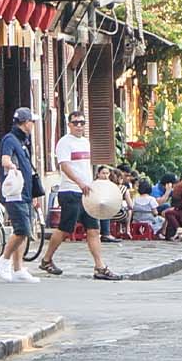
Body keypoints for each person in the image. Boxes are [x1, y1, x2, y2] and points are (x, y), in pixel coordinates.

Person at [38, 111, 119, 280]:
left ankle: (100, 266)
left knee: (94, 229)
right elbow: (65, 166)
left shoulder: (85, 143)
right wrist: (80, 182)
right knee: (65, 229)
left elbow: (86, 167)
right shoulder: (64, 143)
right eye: (76, 123)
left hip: (87, 193)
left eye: (82, 123)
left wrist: (92, 184)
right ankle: (46, 259)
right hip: (70, 192)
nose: (79, 126)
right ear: (69, 125)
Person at [0, 107, 44, 283]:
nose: (33, 125)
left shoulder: (24, 141)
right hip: (15, 192)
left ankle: (18, 267)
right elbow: (5, 158)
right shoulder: (10, 139)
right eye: (32, 122)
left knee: (24, 230)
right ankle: (4, 260)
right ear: (26, 123)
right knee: (21, 229)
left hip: (26, 191)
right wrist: (10, 166)